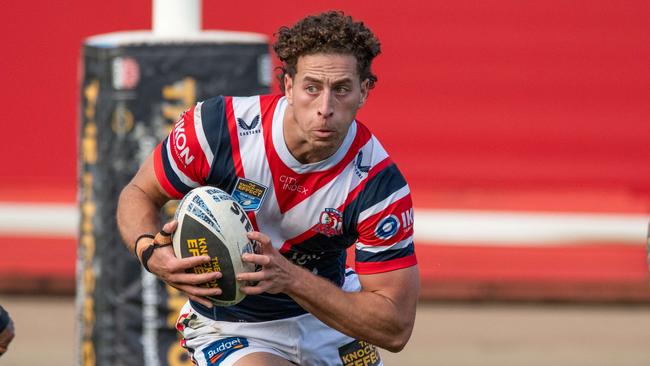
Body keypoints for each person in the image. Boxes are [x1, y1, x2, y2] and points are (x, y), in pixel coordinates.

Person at [117, 10, 419, 366]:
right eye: (312, 88)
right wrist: (150, 252)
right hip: (232, 327)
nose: (325, 108)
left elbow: (395, 328)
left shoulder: (379, 186)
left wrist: (289, 278)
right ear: (288, 86)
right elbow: (138, 194)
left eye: (341, 89)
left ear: (364, 91)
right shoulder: (216, 129)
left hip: (331, 318)